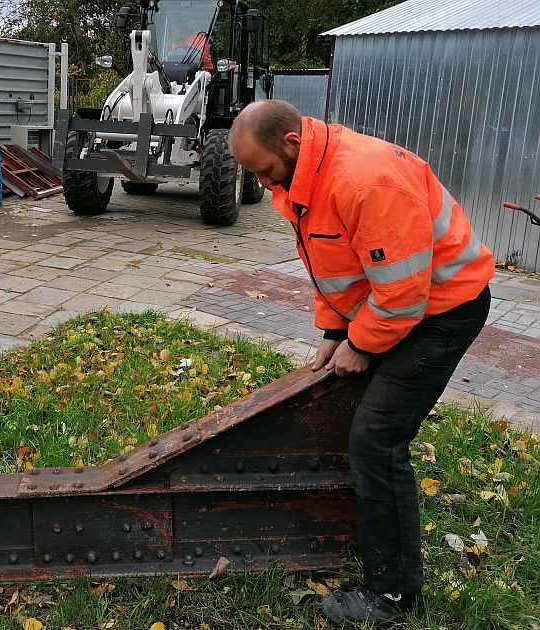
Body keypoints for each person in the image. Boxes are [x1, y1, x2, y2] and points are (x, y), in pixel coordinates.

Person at [228, 100, 494, 627]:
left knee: (377, 439)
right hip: (397, 307)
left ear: (291, 144)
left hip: (443, 312)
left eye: (263, 171)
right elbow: (332, 266)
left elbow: (402, 296)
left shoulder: (365, 180)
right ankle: (358, 527)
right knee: (352, 414)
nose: (261, 184)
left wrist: (363, 344)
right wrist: (334, 331)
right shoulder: (305, 180)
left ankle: (391, 594)